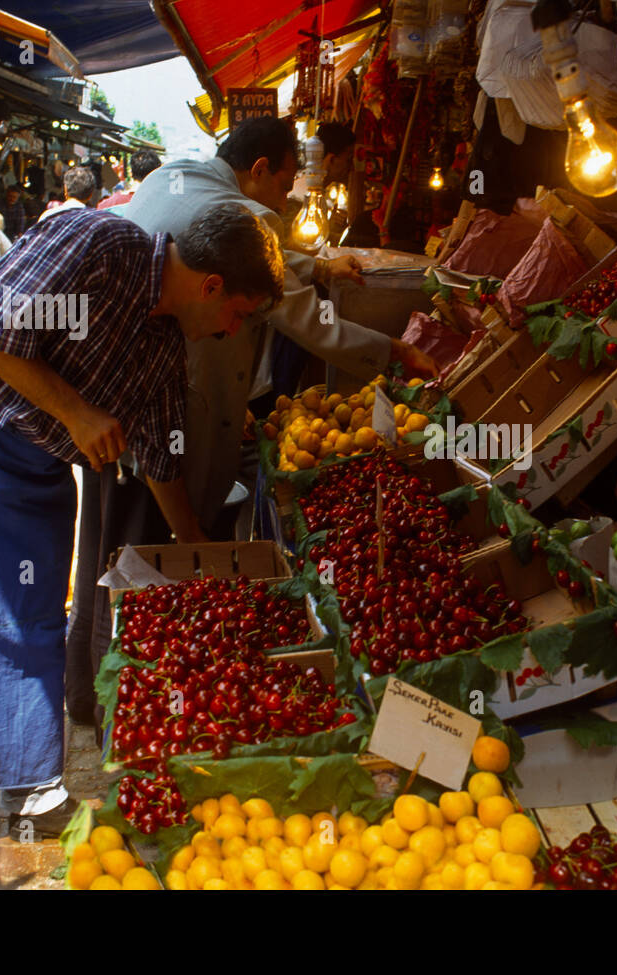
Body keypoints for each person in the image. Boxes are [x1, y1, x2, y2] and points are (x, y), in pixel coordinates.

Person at [0, 203, 285, 890]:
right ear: (212, 286)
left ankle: (30, 792)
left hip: (31, 477)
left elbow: (159, 461)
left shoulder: (163, 348)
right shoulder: (99, 245)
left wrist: (204, 554)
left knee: (30, 631)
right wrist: (76, 411)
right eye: (239, 313)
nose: (233, 330)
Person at [63, 118, 436, 731]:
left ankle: (90, 687)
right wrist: (392, 350)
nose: (288, 197)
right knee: (149, 550)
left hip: (116, 406)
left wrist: (316, 266)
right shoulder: (241, 216)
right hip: (172, 398)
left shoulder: (171, 176)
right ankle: (133, 704)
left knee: (107, 539)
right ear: (259, 169)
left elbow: (245, 254)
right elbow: (294, 313)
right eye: (286, 180)